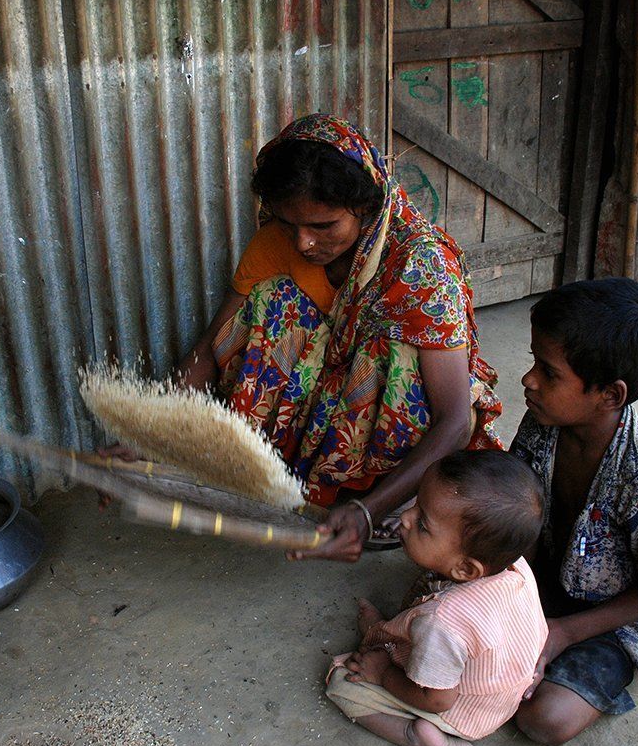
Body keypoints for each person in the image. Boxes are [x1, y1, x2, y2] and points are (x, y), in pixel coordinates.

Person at [172, 114, 502, 562]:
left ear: (364, 206)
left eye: (323, 226)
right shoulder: (276, 243)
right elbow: (211, 347)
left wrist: (368, 511)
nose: (304, 244)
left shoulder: (421, 266)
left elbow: (455, 420)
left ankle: (383, 495)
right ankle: (288, 476)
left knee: (397, 352)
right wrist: (155, 431)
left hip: (385, 441)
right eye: (289, 224)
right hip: (325, 402)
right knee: (273, 303)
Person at [509, 278, 638, 746]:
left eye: (548, 372)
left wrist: (562, 632)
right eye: (534, 361)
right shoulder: (544, 422)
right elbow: (521, 507)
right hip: (555, 573)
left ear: (611, 396)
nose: (529, 379)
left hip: (622, 615)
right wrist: (519, 596)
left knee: (545, 718)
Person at [324, 450, 547, 746]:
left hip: (461, 711)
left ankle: (417, 736)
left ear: (466, 569)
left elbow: (438, 699)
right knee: (428, 590)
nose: (406, 517)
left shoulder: (441, 622)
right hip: (500, 687)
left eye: (422, 524)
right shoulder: (515, 566)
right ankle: (388, 633)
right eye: (416, 504)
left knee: (342, 684)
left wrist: (383, 673)